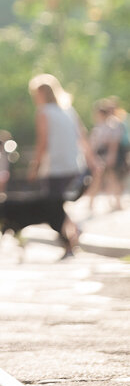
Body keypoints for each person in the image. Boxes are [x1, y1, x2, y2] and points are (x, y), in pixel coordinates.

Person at [27, 73, 91, 254]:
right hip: (73, 164)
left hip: (55, 167)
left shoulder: (43, 112)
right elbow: (82, 135)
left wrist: (35, 166)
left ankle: (69, 240)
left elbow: (43, 142)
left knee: (54, 206)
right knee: (60, 204)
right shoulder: (68, 110)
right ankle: (75, 230)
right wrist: (92, 161)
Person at [86, 99, 123, 213]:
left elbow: (113, 144)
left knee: (112, 178)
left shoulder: (112, 126)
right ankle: (91, 203)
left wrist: (111, 156)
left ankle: (117, 202)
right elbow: (92, 145)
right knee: (97, 179)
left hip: (107, 154)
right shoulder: (97, 128)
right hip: (99, 155)